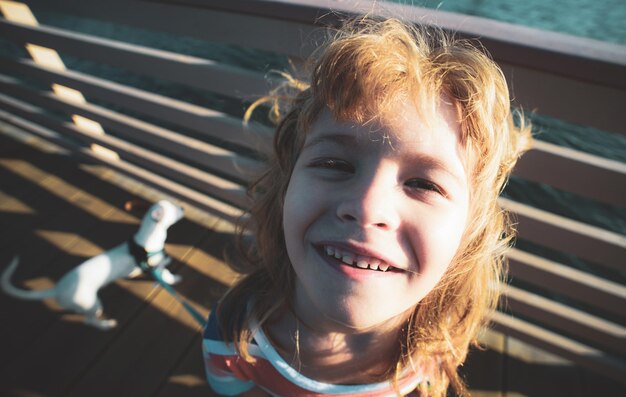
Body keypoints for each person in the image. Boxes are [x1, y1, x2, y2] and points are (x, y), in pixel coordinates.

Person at [202, 16, 532, 397]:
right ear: (286, 185)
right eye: (334, 163)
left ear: (470, 234)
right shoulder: (233, 336)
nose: (367, 207)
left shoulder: (436, 343)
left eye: (424, 183)